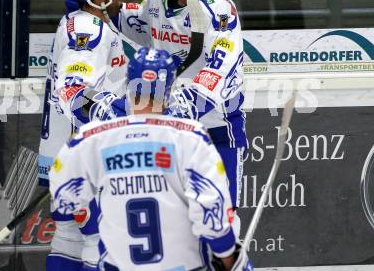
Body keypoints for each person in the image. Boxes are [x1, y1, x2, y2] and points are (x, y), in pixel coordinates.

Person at [49, 47, 253, 270]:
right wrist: (229, 256)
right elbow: (211, 212)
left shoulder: (92, 136)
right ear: (171, 87)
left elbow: (64, 198)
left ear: (129, 82)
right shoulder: (191, 136)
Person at [118, 0, 247, 235]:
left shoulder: (221, 12)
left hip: (217, 128)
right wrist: (101, 8)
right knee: (171, 221)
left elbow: (216, 71)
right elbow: (137, 26)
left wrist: (179, 108)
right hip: (170, 130)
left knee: (220, 223)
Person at [38, 0, 130, 271]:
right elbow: (73, 90)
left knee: (69, 238)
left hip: (61, 154)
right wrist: (115, 114)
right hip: (86, 156)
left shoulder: (83, 22)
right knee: (101, 240)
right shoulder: (89, 30)